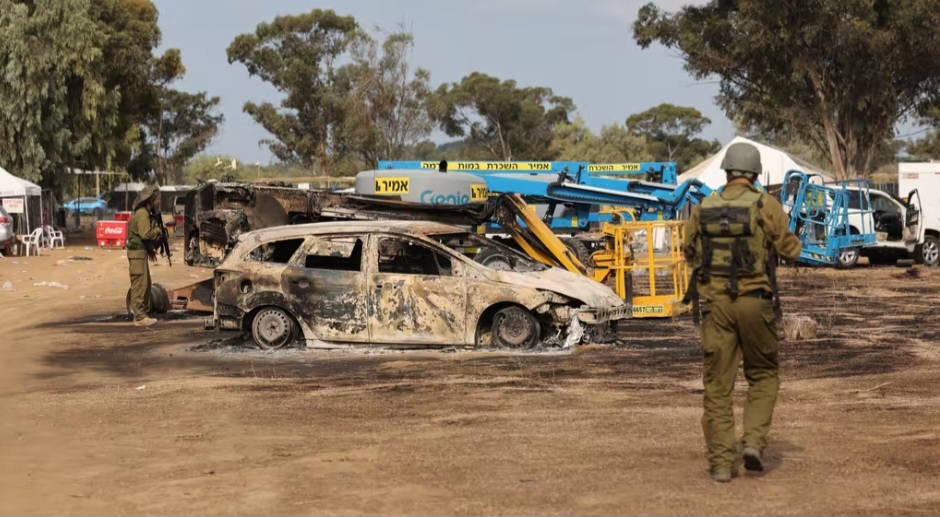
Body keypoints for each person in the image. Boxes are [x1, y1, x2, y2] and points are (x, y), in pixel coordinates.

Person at [682, 142, 802, 483]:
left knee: (718, 386)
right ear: (755, 174)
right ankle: (752, 443)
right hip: (756, 303)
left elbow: (689, 251)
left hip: (716, 308)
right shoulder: (767, 205)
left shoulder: (703, 207)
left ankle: (721, 464)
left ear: (727, 172)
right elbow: (791, 250)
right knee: (763, 375)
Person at [127, 185, 164, 327]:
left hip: (140, 253)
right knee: (139, 285)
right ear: (151, 199)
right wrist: (158, 231)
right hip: (136, 254)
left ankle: (143, 314)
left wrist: (149, 250)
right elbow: (145, 234)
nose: (158, 201)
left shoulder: (144, 213)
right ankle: (139, 317)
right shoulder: (142, 214)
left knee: (146, 284)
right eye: (157, 198)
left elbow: (142, 236)